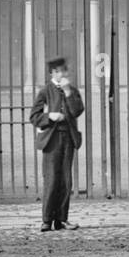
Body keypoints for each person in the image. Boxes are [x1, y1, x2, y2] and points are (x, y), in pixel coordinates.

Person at [29, 57, 84, 232]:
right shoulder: (45, 91)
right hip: (51, 140)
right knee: (52, 179)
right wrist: (49, 117)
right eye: (58, 71)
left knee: (66, 181)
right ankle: (46, 220)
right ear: (52, 73)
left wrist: (68, 93)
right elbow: (34, 116)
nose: (62, 74)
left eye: (64, 71)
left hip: (68, 138)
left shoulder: (72, 90)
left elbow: (77, 111)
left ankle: (62, 219)